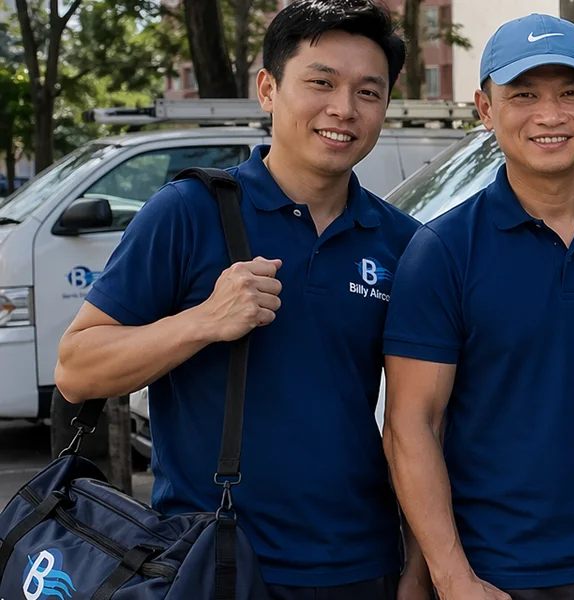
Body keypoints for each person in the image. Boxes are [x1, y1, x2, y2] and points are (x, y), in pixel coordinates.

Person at [52, 0, 417, 597]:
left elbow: (418, 422)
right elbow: (76, 369)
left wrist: (420, 565)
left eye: (368, 92)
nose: (343, 109)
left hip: (360, 563)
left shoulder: (403, 242)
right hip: (210, 560)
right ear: (268, 89)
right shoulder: (189, 212)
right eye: (321, 83)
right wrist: (202, 321)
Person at [382, 14, 574, 600]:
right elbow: (412, 425)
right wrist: (452, 577)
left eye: (571, 93)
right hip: (499, 576)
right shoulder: (443, 250)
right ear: (485, 109)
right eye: (524, 95)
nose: (550, 116)